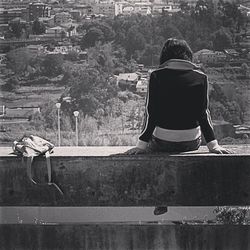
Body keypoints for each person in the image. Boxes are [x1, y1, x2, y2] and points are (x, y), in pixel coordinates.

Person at [126, 38, 233, 215]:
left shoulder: (156, 76)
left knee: (157, 150)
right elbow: (203, 114)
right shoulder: (201, 77)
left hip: (162, 141)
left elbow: (152, 112)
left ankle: (162, 199)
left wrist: (141, 145)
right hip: (191, 142)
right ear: (188, 56)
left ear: (165, 57)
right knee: (175, 149)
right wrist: (213, 145)